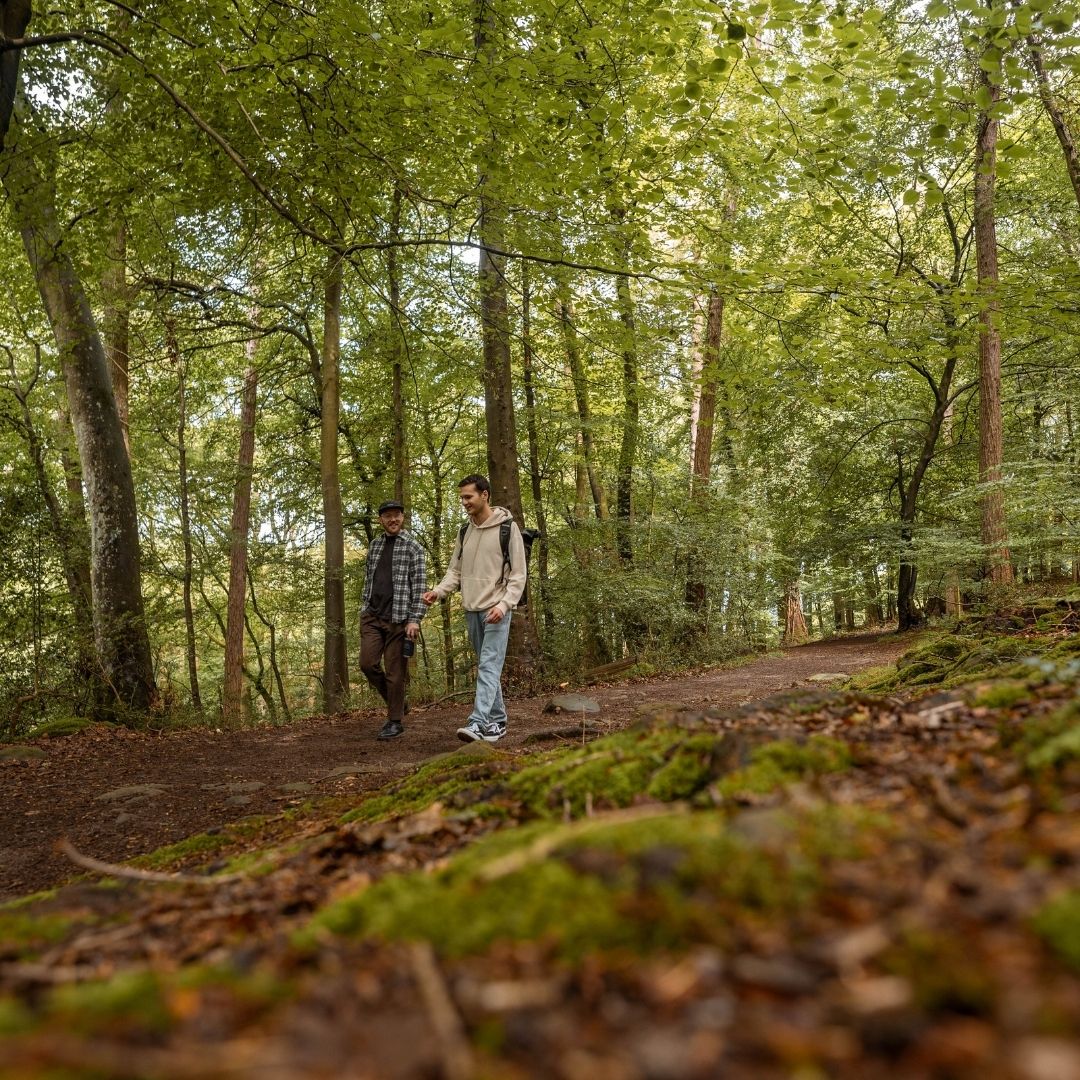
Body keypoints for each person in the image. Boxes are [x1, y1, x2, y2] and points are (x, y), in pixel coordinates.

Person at [423, 474, 526, 743]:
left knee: (489, 666)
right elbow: (455, 571)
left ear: (485, 495)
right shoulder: (464, 531)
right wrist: (438, 591)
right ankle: (498, 721)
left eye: (468, 496)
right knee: (486, 665)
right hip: (471, 609)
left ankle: (478, 723)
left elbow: (518, 574)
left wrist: (504, 605)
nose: (464, 502)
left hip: (496, 609)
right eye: (462, 498)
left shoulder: (507, 528)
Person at [360, 500, 426, 740]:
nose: (393, 520)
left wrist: (414, 619)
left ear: (403, 518)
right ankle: (397, 702)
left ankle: (394, 721)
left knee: (395, 672)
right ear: (381, 520)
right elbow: (369, 579)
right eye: (387, 516)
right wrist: (364, 607)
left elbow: (419, 587)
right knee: (367, 664)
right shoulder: (375, 545)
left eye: (397, 515)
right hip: (372, 616)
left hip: (399, 619)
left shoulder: (413, 548)